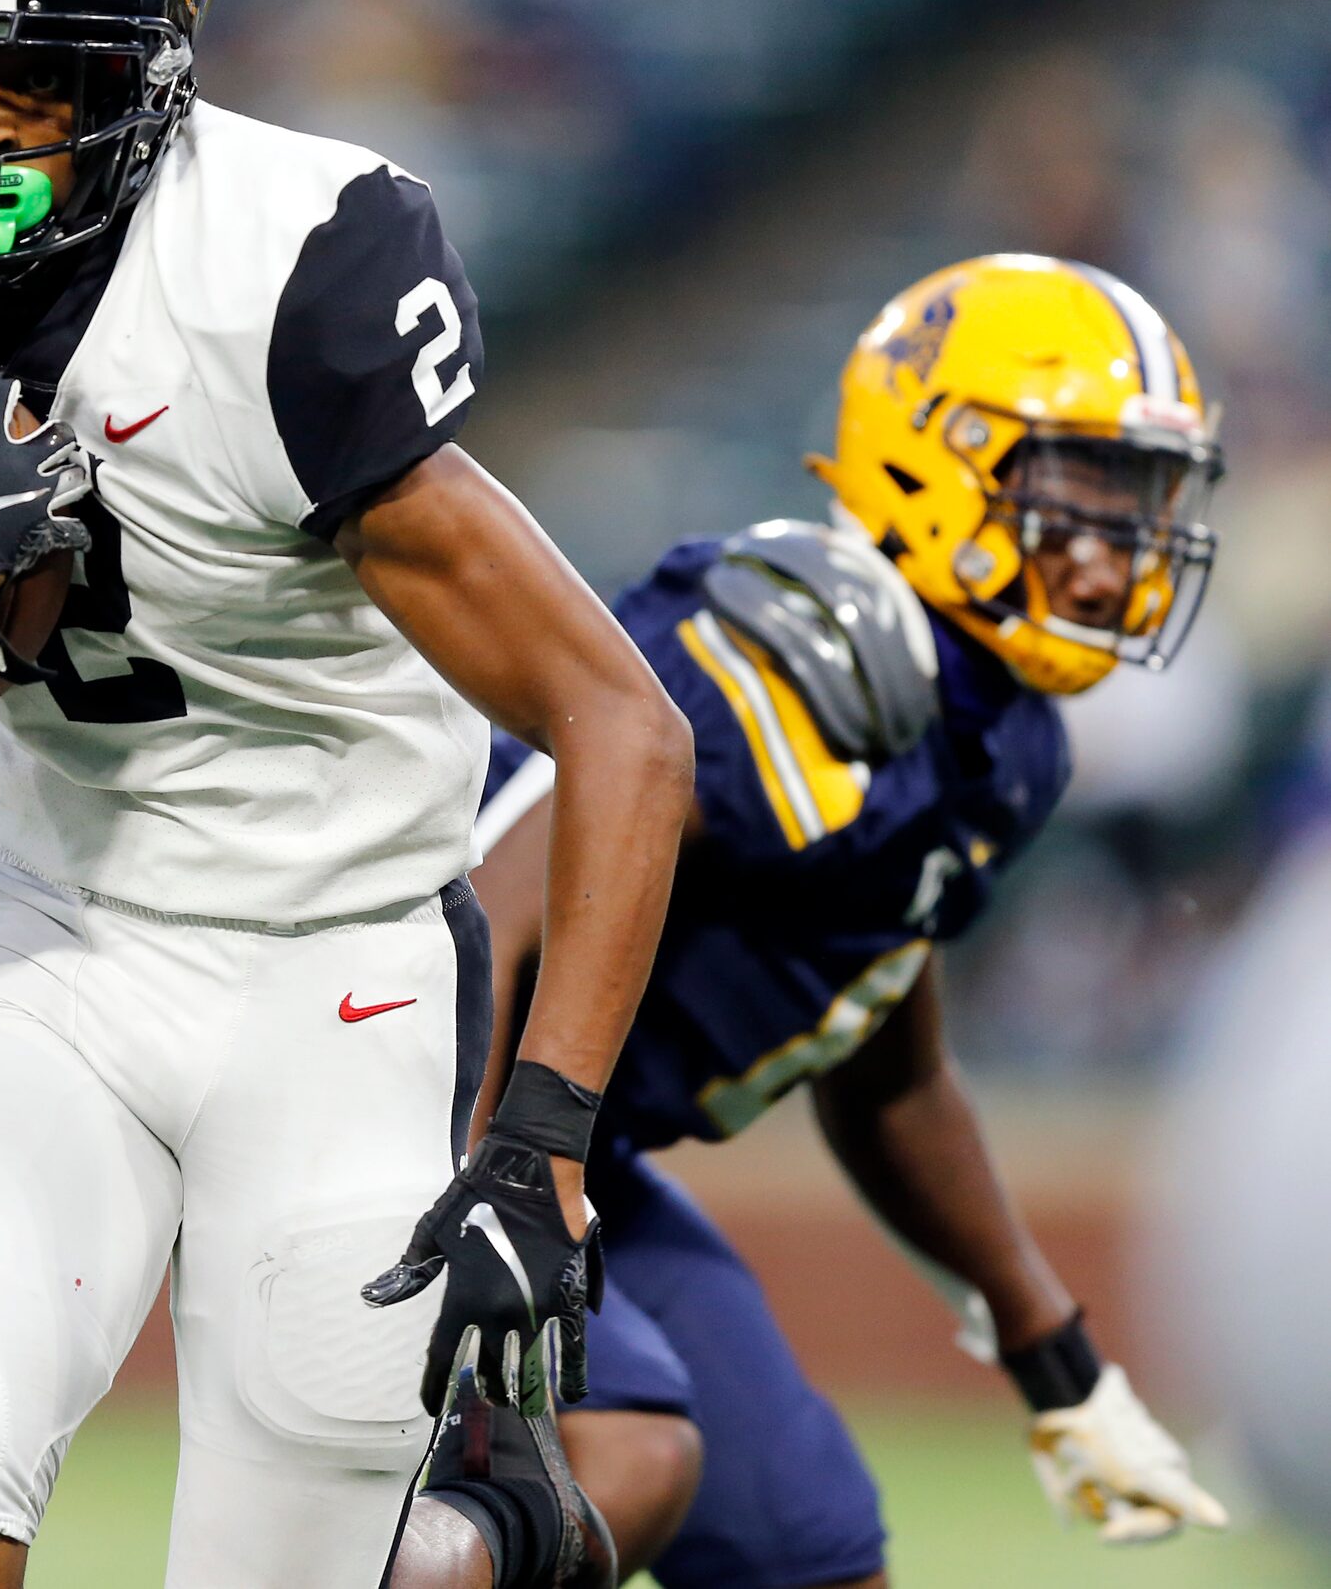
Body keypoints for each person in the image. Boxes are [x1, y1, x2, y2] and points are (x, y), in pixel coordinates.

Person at [0, 0, 692, 1589]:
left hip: (345, 969)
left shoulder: (288, 273)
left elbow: (624, 722)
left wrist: (540, 1142)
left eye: (29, 89)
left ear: (136, 92)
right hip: (55, 929)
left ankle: (486, 1533)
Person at [395, 255, 1230, 1589]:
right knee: (626, 1456)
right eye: (1085, 487)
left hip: (576, 1158)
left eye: (1141, 499)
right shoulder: (795, 655)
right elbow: (489, 898)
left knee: (811, 1547)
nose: (1119, 542)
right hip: (433, 1095)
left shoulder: (1002, 738)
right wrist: (475, 1181)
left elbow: (886, 1053)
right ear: (937, 461)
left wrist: (1051, 1351)